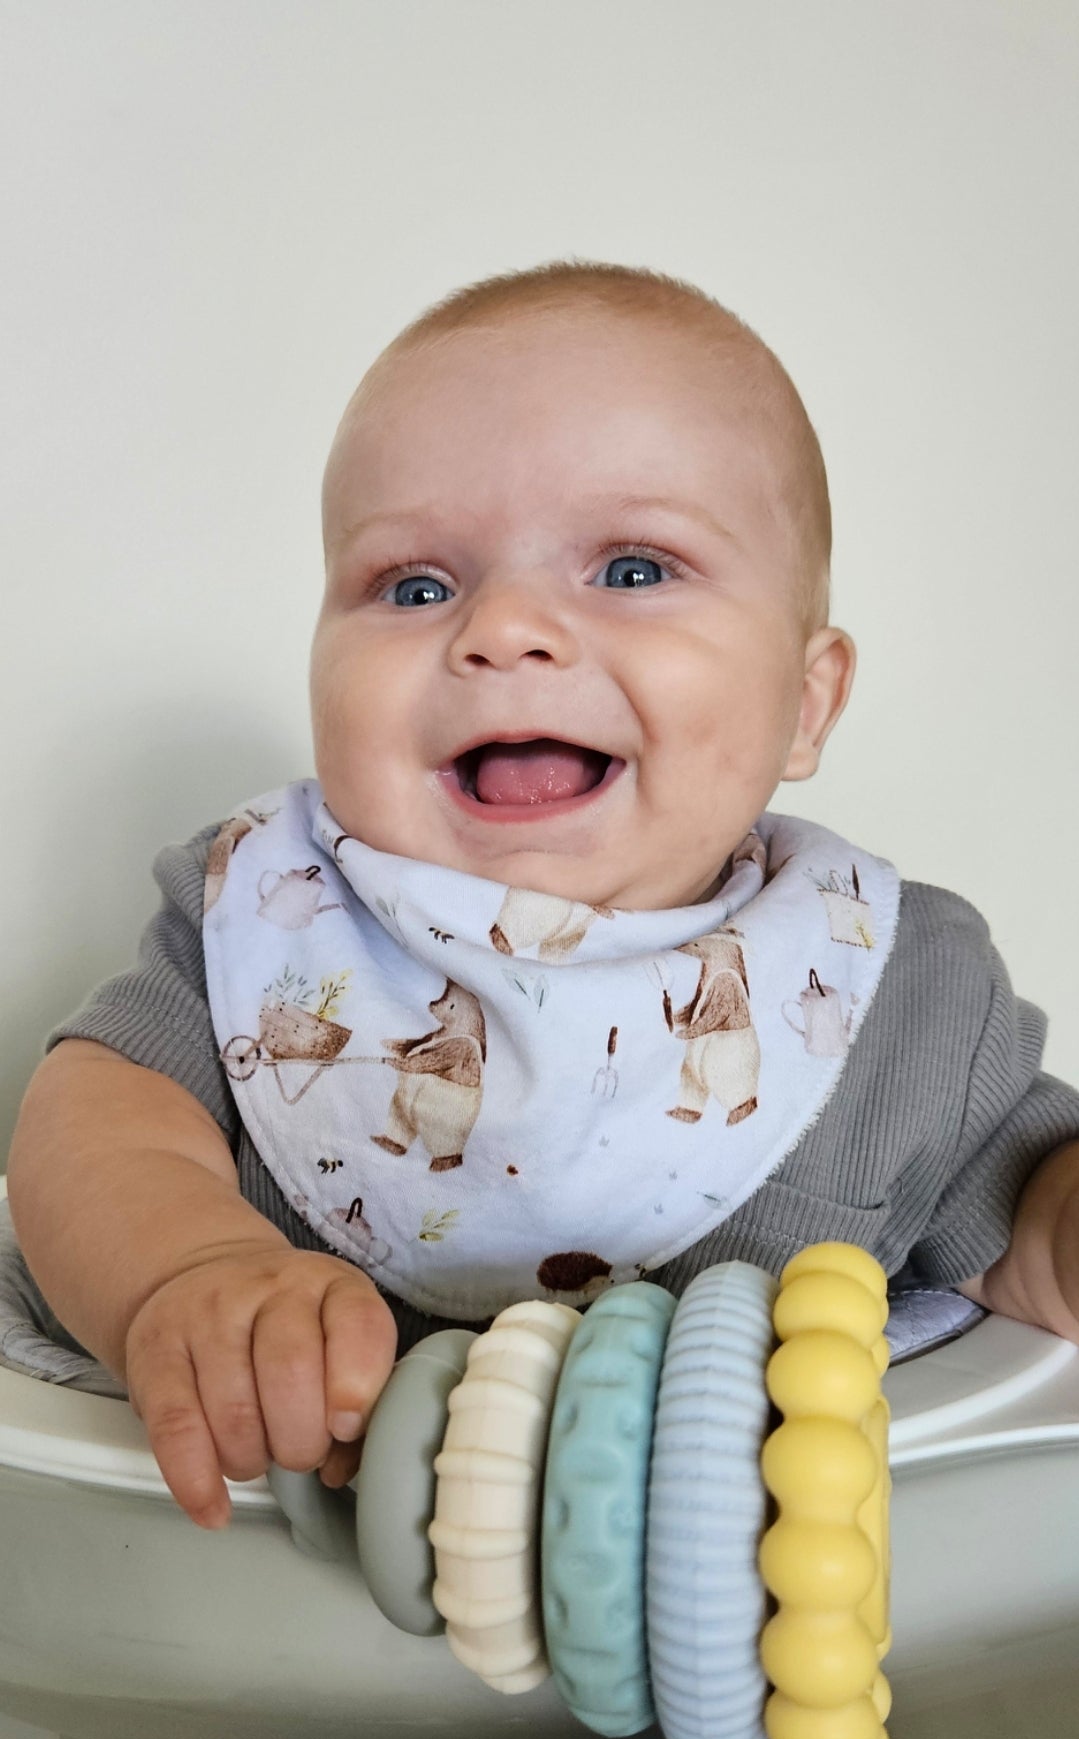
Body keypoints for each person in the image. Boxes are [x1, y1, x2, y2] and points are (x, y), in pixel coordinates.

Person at [9, 260, 1079, 1534]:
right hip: (262, 1653)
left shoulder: (886, 986)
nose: (504, 628)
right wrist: (185, 1267)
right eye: (415, 586)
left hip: (710, 1646)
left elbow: (1018, 1223)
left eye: (631, 569)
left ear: (806, 702)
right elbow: (97, 1115)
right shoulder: (272, 922)